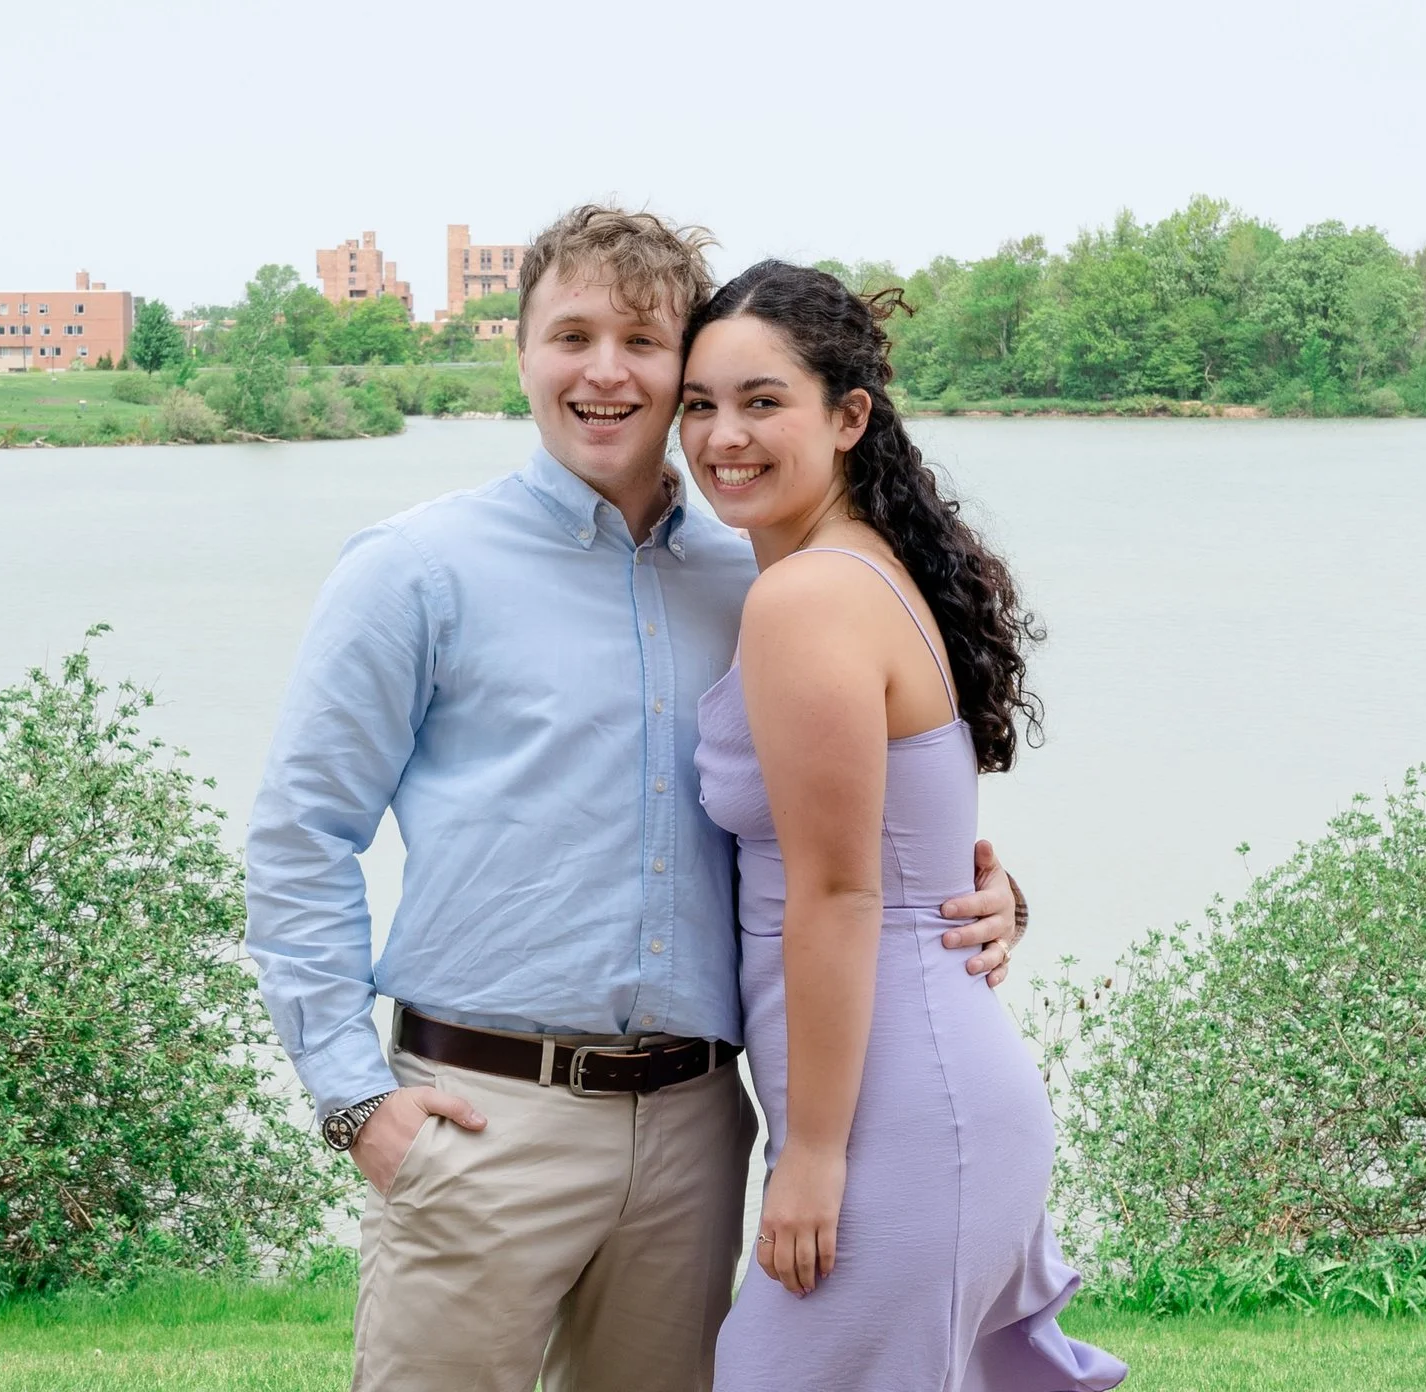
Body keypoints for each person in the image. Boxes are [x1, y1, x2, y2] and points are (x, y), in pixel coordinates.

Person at [245, 208, 1029, 1392]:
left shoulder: (759, 570)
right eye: (570, 335)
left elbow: (848, 821)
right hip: (480, 1121)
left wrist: (985, 888)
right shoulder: (415, 570)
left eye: (642, 342)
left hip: (699, 1129)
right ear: (521, 354)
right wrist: (355, 1098)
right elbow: (300, 839)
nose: (604, 371)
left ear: (681, 368)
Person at [683, 261, 1125, 1391]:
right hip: (915, 1089)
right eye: (699, 403)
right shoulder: (855, 573)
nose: (721, 435)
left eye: (760, 400)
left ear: (848, 416)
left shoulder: (807, 597)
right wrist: (999, 896)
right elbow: (912, 846)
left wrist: (815, 1156)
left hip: (893, 1119)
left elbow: (841, 891)